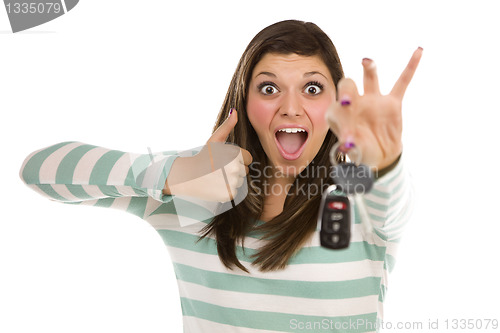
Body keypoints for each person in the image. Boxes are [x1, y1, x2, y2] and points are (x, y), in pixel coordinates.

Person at [20, 20, 422, 332]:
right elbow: (40, 172)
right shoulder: (191, 186)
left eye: (312, 89)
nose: (291, 107)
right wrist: (177, 173)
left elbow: (391, 198)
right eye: (269, 89)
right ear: (244, 102)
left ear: (336, 105)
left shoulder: (359, 200)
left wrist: (384, 162)